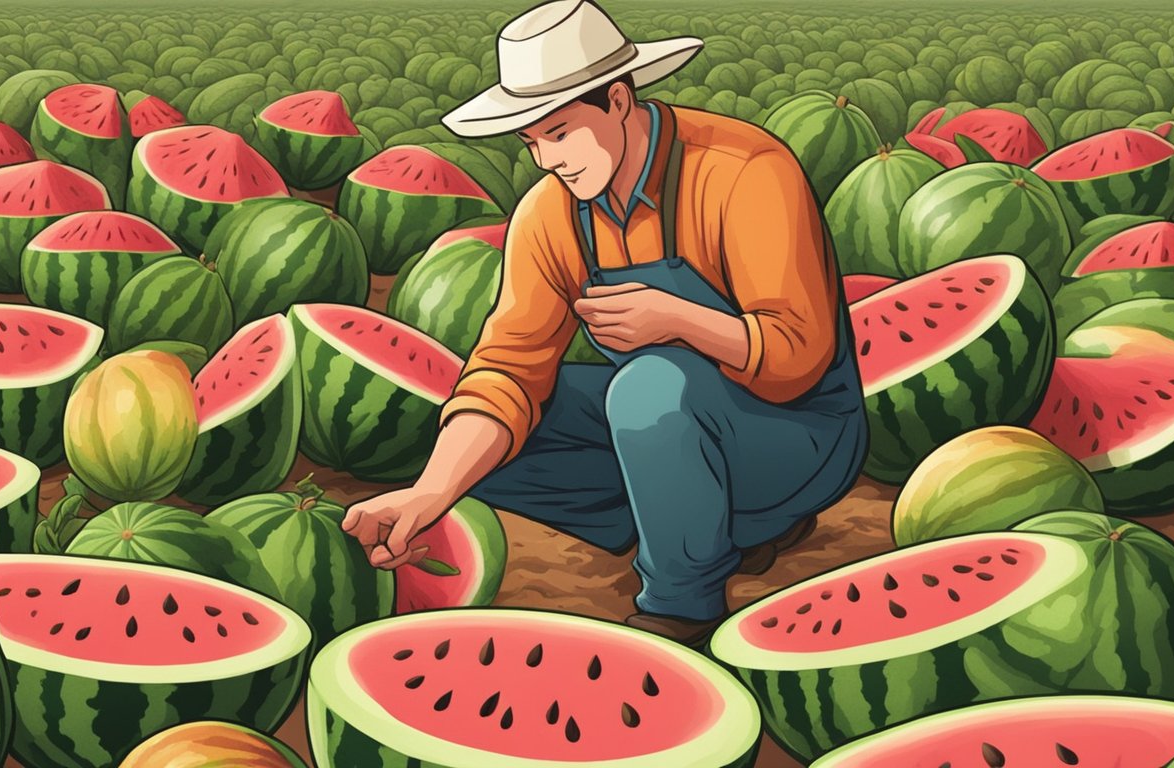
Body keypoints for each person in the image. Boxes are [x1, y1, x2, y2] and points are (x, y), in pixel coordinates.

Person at [341, 0, 868, 645]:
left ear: (618, 101)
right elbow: (510, 365)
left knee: (648, 386)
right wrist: (428, 493)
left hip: (799, 435)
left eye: (559, 133)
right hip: (664, 423)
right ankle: (704, 520)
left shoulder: (743, 171)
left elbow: (798, 358)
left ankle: (684, 604)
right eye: (531, 141)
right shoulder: (550, 212)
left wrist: (678, 318)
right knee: (484, 439)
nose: (546, 160)